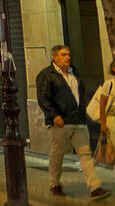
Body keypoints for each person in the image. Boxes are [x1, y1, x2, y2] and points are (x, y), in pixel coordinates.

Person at [37, 44, 110, 199]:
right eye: (63, 55)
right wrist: (54, 115)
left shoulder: (74, 73)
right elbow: (43, 98)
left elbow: (79, 94)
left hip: (78, 120)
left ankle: (95, 187)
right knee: (58, 154)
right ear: (54, 57)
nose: (67, 57)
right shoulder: (46, 75)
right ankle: (54, 183)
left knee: (85, 155)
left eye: (68, 54)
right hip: (60, 122)